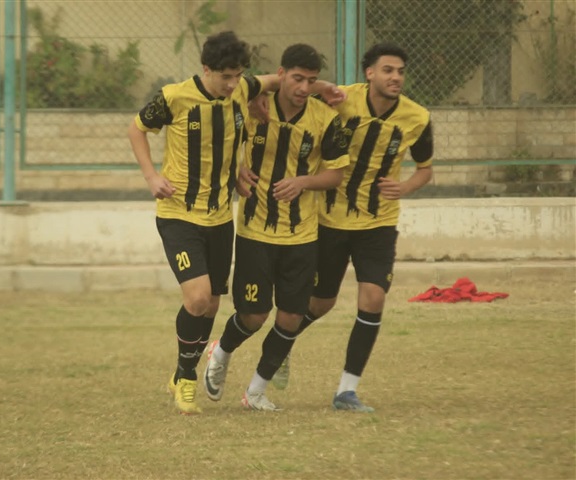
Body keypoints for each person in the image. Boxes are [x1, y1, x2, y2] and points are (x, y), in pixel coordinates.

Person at [128, 31, 287, 415]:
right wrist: (151, 176)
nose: (233, 84)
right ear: (206, 69)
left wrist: (320, 88)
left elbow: (278, 79)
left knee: (212, 304)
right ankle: (186, 377)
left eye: (238, 76)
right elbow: (136, 129)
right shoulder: (175, 97)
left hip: (219, 218)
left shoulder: (241, 89)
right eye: (225, 77)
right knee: (198, 298)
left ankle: (181, 372)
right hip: (178, 214)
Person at [270, 42, 435, 413]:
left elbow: (425, 169)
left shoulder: (417, 117)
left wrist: (405, 187)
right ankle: (281, 344)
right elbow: (296, 88)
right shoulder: (342, 100)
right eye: (388, 70)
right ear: (369, 73)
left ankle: (347, 391)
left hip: (378, 223)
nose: (396, 77)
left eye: (401, 71)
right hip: (330, 219)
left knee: (373, 298)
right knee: (321, 302)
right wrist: (323, 85)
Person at [202, 43, 350, 412]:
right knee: (254, 316)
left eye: (311, 81)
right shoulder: (254, 108)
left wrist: (303, 182)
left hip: (302, 233)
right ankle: (221, 351)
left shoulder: (325, 119)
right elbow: (224, 138)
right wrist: (237, 168)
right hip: (255, 229)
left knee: (291, 317)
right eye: (297, 78)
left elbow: (336, 174)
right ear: (281, 74)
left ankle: (255, 392)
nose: (303, 88)